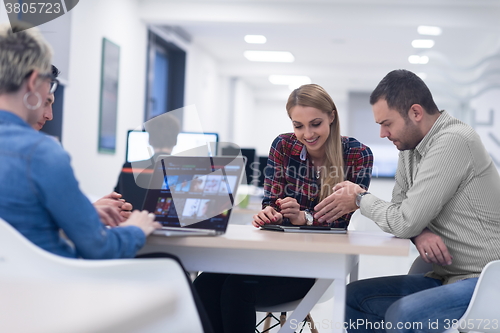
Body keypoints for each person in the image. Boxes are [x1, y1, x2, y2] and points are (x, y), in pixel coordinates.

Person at [328, 69, 500, 333]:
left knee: (405, 314)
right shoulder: (410, 148)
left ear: (416, 113)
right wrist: (420, 232)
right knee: (353, 298)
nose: (383, 134)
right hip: (447, 275)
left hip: (486, 280)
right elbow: (402, 213)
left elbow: (403, 220)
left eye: (387, 123)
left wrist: (360, 198)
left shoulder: (454, 141)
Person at [193, 84, 373, 333]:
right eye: (298, 125)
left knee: (237, 289)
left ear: (332, 116)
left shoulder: (358, 154)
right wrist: (271, 213)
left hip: (315, 266)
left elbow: (340, 220)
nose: (307, 133)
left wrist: (304, 218)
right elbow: (271, 200)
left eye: (315, 123)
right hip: (272, 256)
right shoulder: (283, 145)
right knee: (204, 284)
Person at [32, 64, 133, 226]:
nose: (50, 115)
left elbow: (43, 219)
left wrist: (90, 210)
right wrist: (139, 228)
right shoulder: (40, 155)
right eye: (45, 102)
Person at [114, 111, 181, 209]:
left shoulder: (128, 169)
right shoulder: (184, 170)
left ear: (150, 140)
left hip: (133, 223)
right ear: (175, 141)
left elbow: (116, 200)